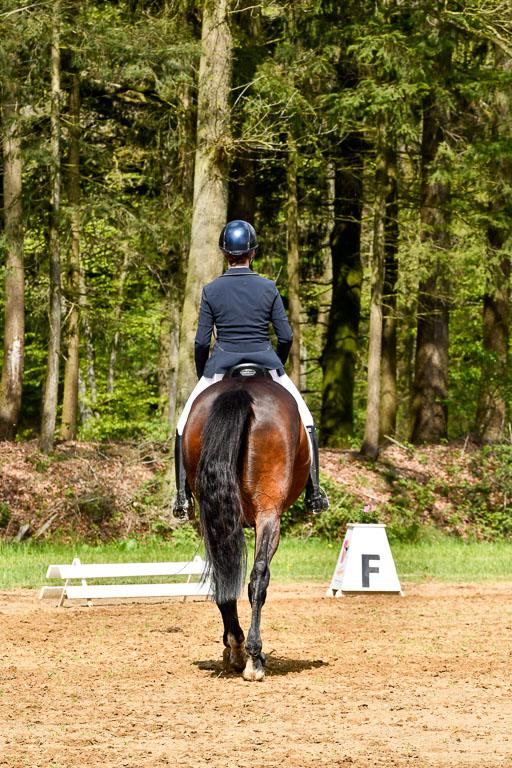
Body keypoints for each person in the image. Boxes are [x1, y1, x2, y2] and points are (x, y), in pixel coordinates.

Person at [174, 219, 329, 517]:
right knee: (307, 422)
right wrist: (276, 366)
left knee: (183, 425)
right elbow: (286, 336)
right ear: (253, 252)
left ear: (224, 254)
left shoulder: (211, 290)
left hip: (221, 365)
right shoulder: (269, 287)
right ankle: (313, 493)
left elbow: (201, 342)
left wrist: (204, 373)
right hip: (266, 362)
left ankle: (182, 497)